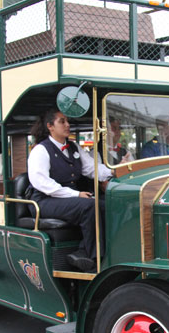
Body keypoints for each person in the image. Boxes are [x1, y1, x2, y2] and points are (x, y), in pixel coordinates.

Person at [27, 108, 113, 272]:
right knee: (89, 206)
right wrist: (75, 194)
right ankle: (93, 257)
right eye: (62, 122)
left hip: (66, 198)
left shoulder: (73, 147)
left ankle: (90, 250)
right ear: (50, 126)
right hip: (43, 201)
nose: (67, 125)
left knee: (106, 204)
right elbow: (42, 183)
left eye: (67, 121)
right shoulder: (41, 150)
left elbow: (92, 169)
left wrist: (115, 171)